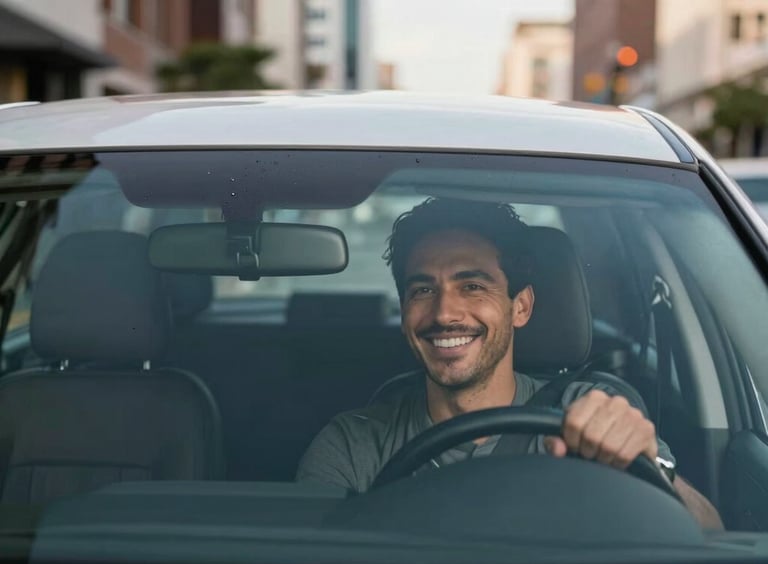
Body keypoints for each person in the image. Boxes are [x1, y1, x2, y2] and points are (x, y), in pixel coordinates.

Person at [297, 198, 723, 530]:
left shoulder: (588, 415)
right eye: (423, 291)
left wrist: (650, 465)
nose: (445, 313)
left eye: (473, 286)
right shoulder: (353, 447)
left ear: (520, 306)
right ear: (405, 309)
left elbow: (710, 533)